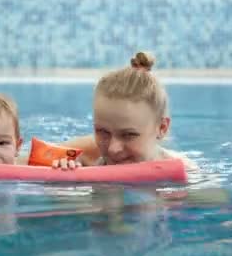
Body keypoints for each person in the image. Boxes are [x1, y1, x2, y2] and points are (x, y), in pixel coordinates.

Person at [55, 51, 196, 170]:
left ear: (162, 128)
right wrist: (67, 172)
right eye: (102, 132)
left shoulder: (184, 171)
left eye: (129, 135)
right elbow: (39, 157)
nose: (112, 149)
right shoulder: (88, 154)